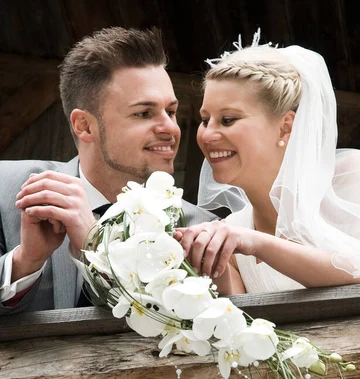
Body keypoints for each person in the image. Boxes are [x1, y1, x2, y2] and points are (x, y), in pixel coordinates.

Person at [0, 26, 215, 314]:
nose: (170, 128)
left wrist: (94, 244)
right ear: (85, 125)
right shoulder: (7, 189)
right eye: (144, 113)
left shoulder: (200, 229)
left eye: (172, 111)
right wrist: (25, 262)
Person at [175, 34, 360, 295]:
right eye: (205, 120)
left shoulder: (352, 174)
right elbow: (242, 328)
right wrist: (203, 260)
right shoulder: (232, 237)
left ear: (285, 127)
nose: (207, 135)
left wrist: (259, 244)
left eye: (227, 120)